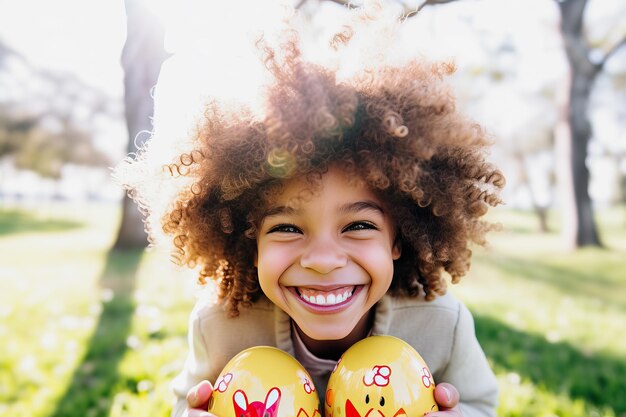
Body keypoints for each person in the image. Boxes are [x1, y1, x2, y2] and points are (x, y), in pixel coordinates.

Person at [117, 3, 505, 417]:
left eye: (357, 225)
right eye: (286, 228)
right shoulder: (219, 326)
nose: (322, 260)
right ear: (250, 240)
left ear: (398, 237)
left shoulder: (441, 323)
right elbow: (185, 404)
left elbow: (481, 403)